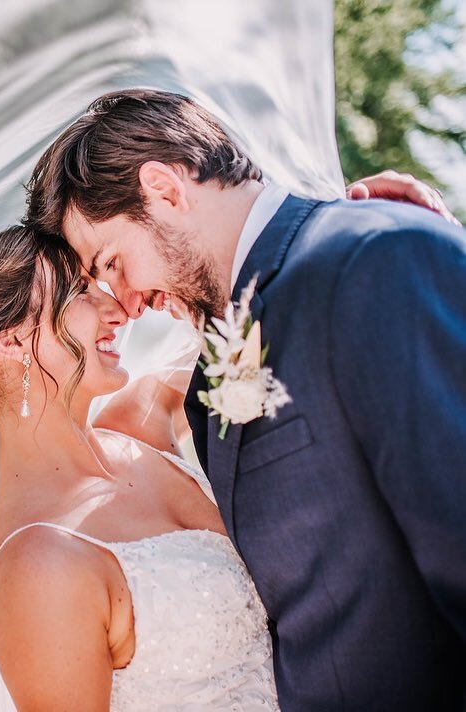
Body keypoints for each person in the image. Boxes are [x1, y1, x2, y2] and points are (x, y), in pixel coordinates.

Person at [25, 88, 466, 710]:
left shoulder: (375, 260)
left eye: (115, 262)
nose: (124, 303)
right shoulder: (211, 379)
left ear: (165, 189)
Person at [0, 224, 278, 710]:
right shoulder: (38, 565)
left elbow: (263, 323)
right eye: (80, 292)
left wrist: (340, 218)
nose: (118, 310)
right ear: (9, 340)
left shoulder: (142, 422)